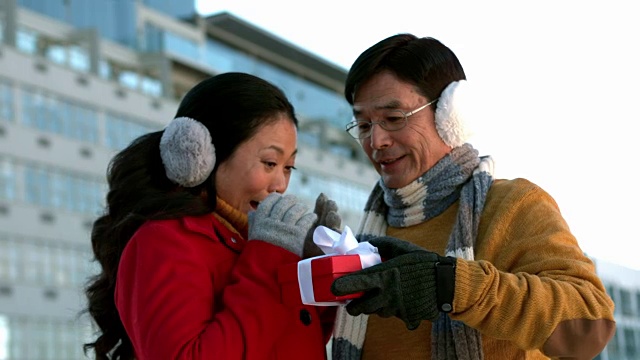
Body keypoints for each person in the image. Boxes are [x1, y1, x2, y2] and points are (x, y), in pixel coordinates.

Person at [329, 34, 616, 360]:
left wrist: (451, 285)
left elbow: (590, 330)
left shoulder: (513, 205)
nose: (375, 140)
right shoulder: (363, 234)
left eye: (394, 119)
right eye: (363, 125)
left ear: (450, 116)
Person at [83, 72, 341, 359]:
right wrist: (272, 258)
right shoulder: (165, 241)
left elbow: (290, 344)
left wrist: (313, 274)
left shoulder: (255, 242)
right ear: (202, 155)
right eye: (269, 162)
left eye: (288, 167)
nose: (280, 185)